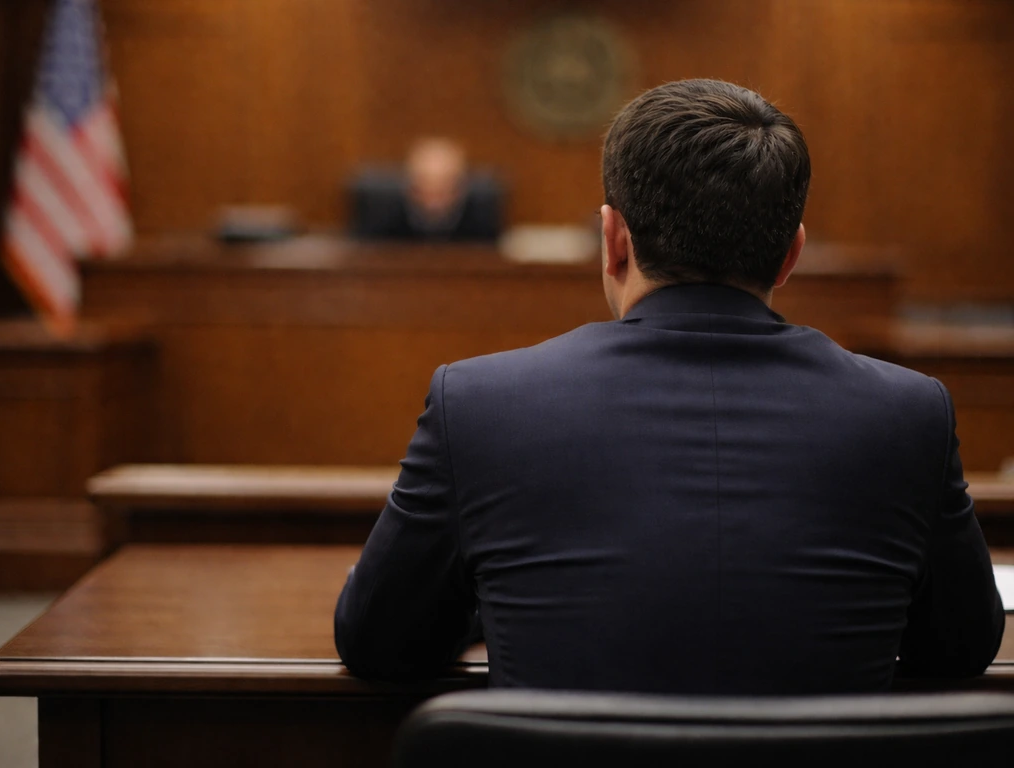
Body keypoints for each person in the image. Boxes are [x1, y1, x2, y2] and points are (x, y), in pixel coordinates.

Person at [335, 79, 1005, 694]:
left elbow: (377, 643)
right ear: (791, 253)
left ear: (613, 240)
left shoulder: (479, 403)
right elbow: (962, 647)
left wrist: (492, 596)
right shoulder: (909, 412)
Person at [348, 138, 503, 241]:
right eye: (425, 187)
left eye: (443, 189)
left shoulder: (480, 222)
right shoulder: (381, 219)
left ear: (460, 189)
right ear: (410, 187)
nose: (433, 201)